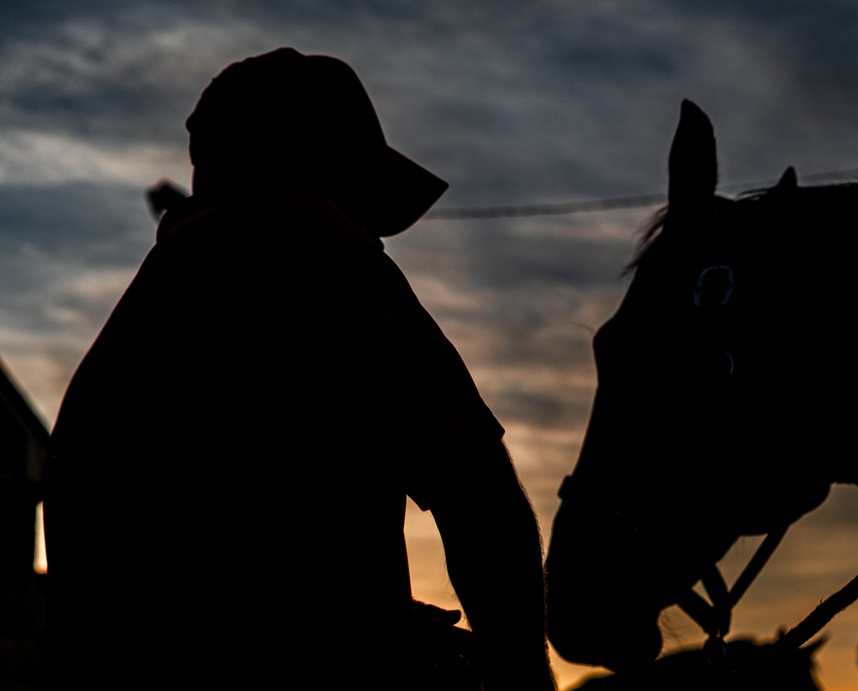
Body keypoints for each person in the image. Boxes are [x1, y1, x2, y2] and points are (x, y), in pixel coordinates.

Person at [43, 47, 555, 691]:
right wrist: (527, 687)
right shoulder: (306, 240)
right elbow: (476, 493)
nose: (373, 233)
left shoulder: (147, 308)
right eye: (365, 197)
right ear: (305, 153)